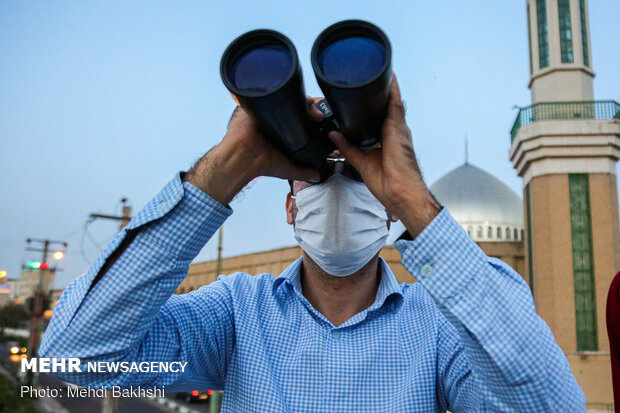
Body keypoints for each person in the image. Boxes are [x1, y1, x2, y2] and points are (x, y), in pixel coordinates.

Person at [40, 76, 585, 412]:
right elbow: (73, 357)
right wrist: (231, 162)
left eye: (358, 174)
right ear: (289, 206)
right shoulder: (236, 313)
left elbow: (549, 405)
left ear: (389, 207)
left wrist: (412, 193)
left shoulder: (442, 326)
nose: (341, 185)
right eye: (320, 173)